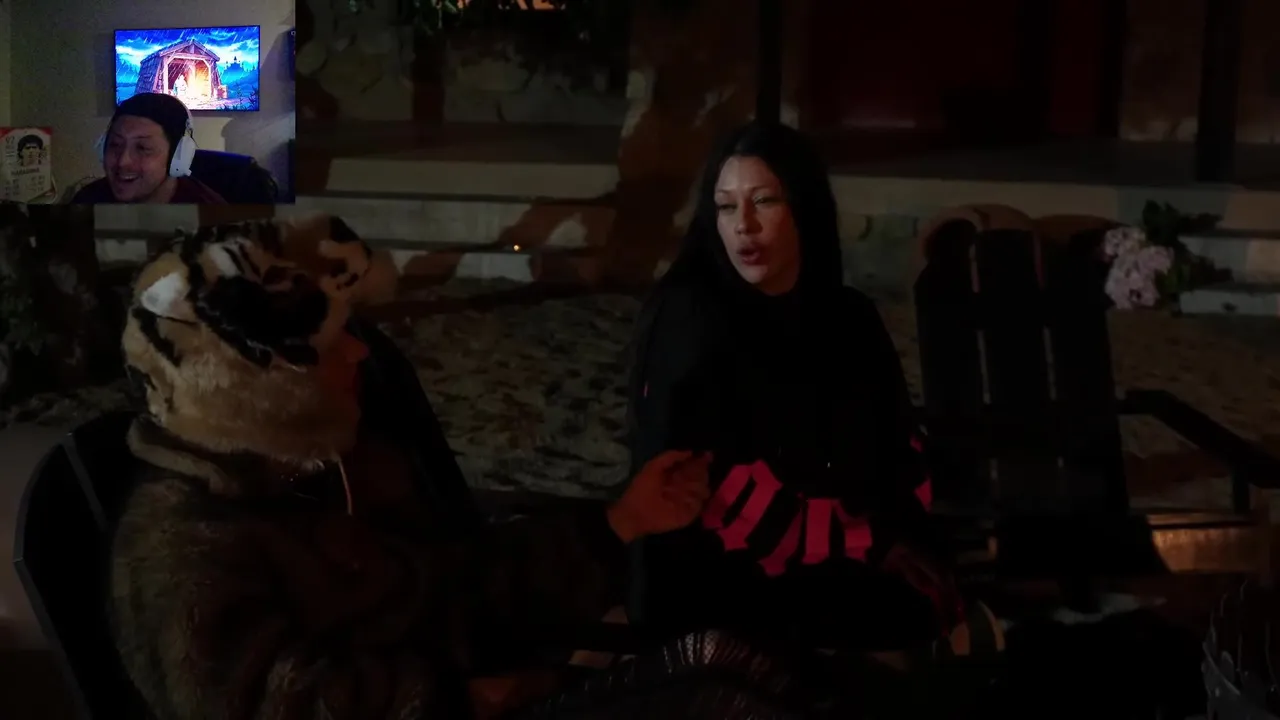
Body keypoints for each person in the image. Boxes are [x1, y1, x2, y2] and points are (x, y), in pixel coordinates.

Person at [109, 214, 852, 719]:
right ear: (258, 385)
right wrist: (461, 697)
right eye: (335, 344)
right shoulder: (186, 543)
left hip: (486, 688)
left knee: (737, 665)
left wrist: (619, 524)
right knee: (721, 685)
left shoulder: (325, 469)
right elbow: (267, 704)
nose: (361, 352)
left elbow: (459, 584)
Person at [626, 121, 963, 653]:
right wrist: (868, 543)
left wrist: (902, 534)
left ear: (803, 207)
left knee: (928, 601)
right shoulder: (692, 317)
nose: (744, 225)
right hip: (715, 576)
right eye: (726, 207)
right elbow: (707, 491)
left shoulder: (848, 318)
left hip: (830, 558)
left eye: (764, 201)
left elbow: (899, 448)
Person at [69, 92, 225, 204]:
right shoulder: (87, 201)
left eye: (142, 148)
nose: (122, 162)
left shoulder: (212, 215)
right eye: (115, 144)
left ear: (178, 157)